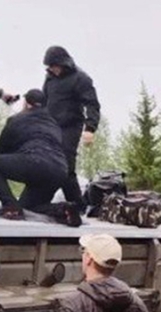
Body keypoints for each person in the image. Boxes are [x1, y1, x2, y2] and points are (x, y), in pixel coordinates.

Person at [0, 89, 79, 224]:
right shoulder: (54, 124)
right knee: (28, 208)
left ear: (27, 104)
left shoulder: (16, 119)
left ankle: (10, 207)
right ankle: (64, 209)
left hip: (35, 161)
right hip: (60, 170)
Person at [42, 46, 101, 212]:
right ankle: (41, 200)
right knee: (47, 164)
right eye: (50, 67)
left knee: (66, 165)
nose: (53, 69)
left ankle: (78, 205)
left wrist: (90, 128)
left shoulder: (81, 79)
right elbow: (45, 100)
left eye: (55, 66)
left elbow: (92, 104)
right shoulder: (50, 79)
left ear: (64, 63)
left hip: (71, 126)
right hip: (51, 126)